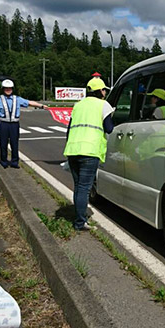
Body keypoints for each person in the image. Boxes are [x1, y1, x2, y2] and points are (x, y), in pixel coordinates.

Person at [64, 77, 114, 231]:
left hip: (73, 150)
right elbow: (109, 128)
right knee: (85, 188)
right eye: (104, 89)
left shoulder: (78, 105)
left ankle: (78, 218)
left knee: (78, 186)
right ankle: (80, 222)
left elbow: (69, 129)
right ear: (100, 91)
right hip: (90, 151)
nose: (105, 92)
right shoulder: (103, 105)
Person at [0, 79, 49, 168]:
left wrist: (41, 105)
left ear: (12, 89)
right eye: (6, 88)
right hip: (3, 124)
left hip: (14, 124)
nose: (8, 90)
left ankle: (14, 162)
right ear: (3, 89)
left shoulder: (17, 99)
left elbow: (29, 103)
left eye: (9, 88)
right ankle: (4, 161)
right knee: (3, 143)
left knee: (14, 143)